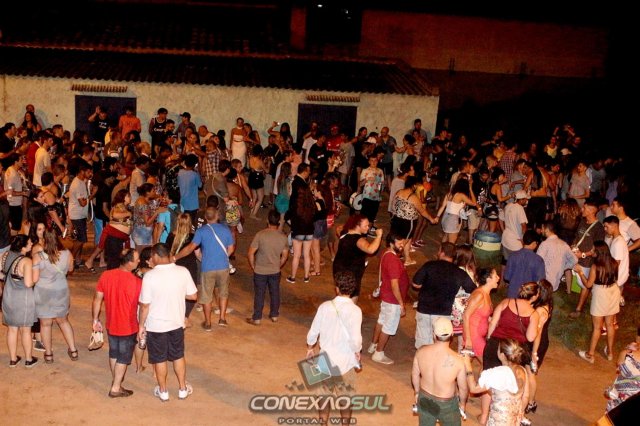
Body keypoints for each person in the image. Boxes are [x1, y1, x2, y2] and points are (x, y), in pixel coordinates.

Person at [138, 243, 198, 402]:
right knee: (178, 356)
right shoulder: (182, 271)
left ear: (156, 256)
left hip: (156, 326)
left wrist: (141, 326)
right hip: (176, 323)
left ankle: (163, 391)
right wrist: (177, 293)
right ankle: (182, 388)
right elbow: (193, 296)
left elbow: (144, 305)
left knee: (159, 359)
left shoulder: (150, 276)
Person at [306, 271, 362, 425]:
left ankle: (323, 423)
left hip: (325, 360)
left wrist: (310, 347)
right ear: (352, 290)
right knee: (346, 398)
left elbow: (313, 331)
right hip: (345, 362)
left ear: (336, 288)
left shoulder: (324, 307)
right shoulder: (356, 311)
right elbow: (356, 339)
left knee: (323, 397)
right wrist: (357, 351)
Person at [482, 282, 540, 424]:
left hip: (495, 345)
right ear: (534, 297)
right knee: (510, 383)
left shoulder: (506, 302)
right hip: (514, 350)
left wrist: (489, 340)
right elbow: (530, 337)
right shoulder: (533, 314)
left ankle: (484, 416)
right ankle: (506, 416)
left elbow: (493, 323)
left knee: (489, 380)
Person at [91, 249, 142, 397]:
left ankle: (116, 379)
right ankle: (116, 387)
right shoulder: (137, 282)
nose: (139, 261)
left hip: (111, 323)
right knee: (123, 357)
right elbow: (143, 305)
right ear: (129, 262)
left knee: (114, 353)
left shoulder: (106, 275)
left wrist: (95, 319)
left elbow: (97, 299)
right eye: (137, 259)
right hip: (128, 325)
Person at [174, 206, 234, 329]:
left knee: (207, 295)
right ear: (217, 216)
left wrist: (175, 257)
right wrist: (223, 257)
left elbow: (190, 248)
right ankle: (222, 319)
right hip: (223, 267)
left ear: (206, 218)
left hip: (207, 267)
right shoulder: (226, 229)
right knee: (223, 293)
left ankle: (208, 323)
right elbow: (231, 248)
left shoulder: (201, 231)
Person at [412, 242, 476, 348]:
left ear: (442, 252)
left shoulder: (429, 265)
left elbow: (415, 284)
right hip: (443, 314)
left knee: (423, 342)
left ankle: (423, 357)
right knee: (440, 344)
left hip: (424, 310)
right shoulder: (459, 273)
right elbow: (473, 290)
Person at [411, 317, 468, 426]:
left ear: (434, 334)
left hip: (425, 397)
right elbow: (463, 388)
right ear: (452, 335)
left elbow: (415, 375)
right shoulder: (458, 360)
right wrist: (462, 404)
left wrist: (417, 393)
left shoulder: (421, 351)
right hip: (447, 404)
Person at [32, 229, 78, 363]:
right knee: (63, 321)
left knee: (45, 324)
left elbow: (34, 279)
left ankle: (48, 354)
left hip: (43, 293)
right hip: (61, 291)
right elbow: (70, 269)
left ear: (44, 240)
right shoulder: (67, 253)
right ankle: (73, 350)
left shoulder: (38, 257)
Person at [463, 338, 530, 426]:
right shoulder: (522, 371)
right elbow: (525, 396)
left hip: (498, 422)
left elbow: (473, 389)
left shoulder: (496, 373)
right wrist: (519, 414)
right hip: (514, 421)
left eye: (498, 349)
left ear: (502, 355)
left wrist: (467, 364)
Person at [367, 232, 409, 365]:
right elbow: (394, 284)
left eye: (403, 243)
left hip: (386, 296)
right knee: (388, 327)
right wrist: (401, 304)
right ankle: (378, 353)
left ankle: (373, 344)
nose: (402, 245)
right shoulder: (393, 260)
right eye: (399, 243)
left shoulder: (386, 253)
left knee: (381, 321)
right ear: (391, 243)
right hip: (392, 300)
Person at [576, 241, 620, 364]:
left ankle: (590, 355)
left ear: (599, 252)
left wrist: (580, 272)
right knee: (610, 324)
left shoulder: (596, 266)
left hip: (601, 294)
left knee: (597, 327)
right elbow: (615, 278)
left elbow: (588, 284)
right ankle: (610, 353)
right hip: (613, 292)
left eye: (593, 250)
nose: (592, 251)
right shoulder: (614, 263)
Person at [1, 235, 39, 368]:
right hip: (23, 299)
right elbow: (28, 283)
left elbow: (1, 274)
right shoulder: (26, 261)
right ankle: (28, 359)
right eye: (29, 243)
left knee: (12, 329)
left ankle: (13, 359)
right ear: (23, 247)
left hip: (8, 296)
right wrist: (36, 278)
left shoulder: (5, 255)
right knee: (26, 330)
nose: (31, 244)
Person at [246, 210, 288, 325]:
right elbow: (285, 256)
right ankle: (274, 315)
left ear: (267, 221)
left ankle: (257, 317)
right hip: (275, 270)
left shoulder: (260, 235)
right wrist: (278, 265)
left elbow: (250, 253)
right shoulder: (283, 237)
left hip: (260, 270)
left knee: (259, 294)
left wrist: (253, 266)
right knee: (275, 292)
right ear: (279, 222)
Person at [332, 214, 383, 302]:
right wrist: (379, 236)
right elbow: (370, 250)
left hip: (339, 268)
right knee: (352, 294)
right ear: (357, 226)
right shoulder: (358, 240)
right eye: (365, 226)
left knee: (341, 291)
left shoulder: (344, 233)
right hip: (351, 273)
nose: (368, 228)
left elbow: (338, 228)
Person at [166, 213, 200, 328]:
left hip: (175, 267)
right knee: (191, 292)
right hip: (190, 267)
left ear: (177, 222)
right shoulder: (193, 237)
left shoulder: (171, 236)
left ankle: (175, 315)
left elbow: (168, 252)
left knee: (176, 290)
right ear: (190, 223)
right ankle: (185, 317)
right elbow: (197, 253)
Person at [527, 279, 554, 415]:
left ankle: (531, 402)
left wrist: (534, 353)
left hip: (537, 344)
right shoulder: (547, 305)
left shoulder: (540, 310)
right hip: (542, 341)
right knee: (529, 372)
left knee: (530, 373)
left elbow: (537, 334)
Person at [462, 268, 499, 362]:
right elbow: (466, 315)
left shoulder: (486, 294)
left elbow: (481, 313)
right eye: (495, 276)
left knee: (466, 364)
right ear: (488, 279)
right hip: (473, 336)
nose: (498, 278)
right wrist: (468, 339)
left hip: (477, 335)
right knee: (488, 363)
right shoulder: (479, 295)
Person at [503, 230, 545, 299]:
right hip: (528, 296)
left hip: (512, 294)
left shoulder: (513, 255)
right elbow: (540, 281)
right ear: (534, 243)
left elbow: (506, 277)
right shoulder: (538, 260)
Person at [537, 220, 577, 291]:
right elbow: (574, 259)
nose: (541, 230)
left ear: (547, 229)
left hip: (543, 281)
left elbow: (537, 262)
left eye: (542, 228)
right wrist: (563, 267)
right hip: (555, 283)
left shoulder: (545, 244)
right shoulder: (564, 244)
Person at [437, 176, 478, 244]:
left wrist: (437, 217)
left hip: (445, 217)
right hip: (453, 219)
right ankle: (446, 251)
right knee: (451, 242)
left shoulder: (449, 194)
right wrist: (470, 189)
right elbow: (474, 203)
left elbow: (442, 206)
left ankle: (441, 250)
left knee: (445, 236)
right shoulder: (461, 195)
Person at [500, 189, 529, 262]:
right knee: (517, 264)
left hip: (505, 239)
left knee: (505, 262)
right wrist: (522, 240)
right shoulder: (520, 208)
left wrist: (503, 230)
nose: (526, 201)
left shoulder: (508, 205)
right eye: (525, 199)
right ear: (521, 200)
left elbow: (500, 217)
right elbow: (524, 226)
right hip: (515, 243)